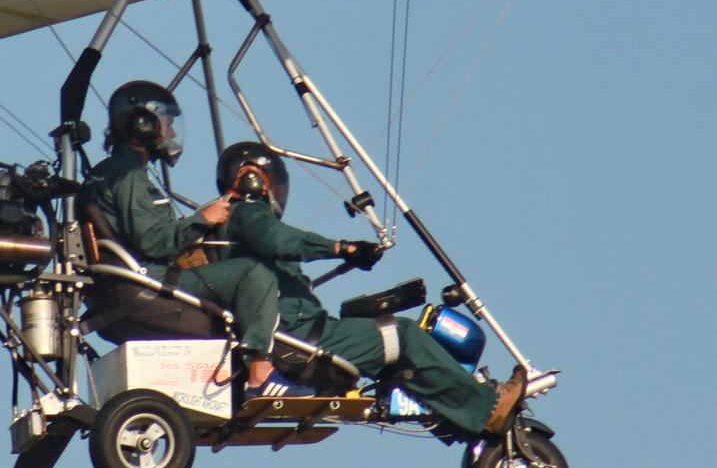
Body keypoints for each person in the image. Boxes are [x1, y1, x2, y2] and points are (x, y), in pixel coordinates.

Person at [213, 140, 527, 440]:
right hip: (300, 339)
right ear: (251, 178)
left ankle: (458, 415)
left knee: (388, 344)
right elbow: (279, 239)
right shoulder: (248, 213)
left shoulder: (227, 224)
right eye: (270, 182)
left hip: (291, 335)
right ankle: (487, 408)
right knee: (402, 336)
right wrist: (342, 248)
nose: (272, 191)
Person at [81, 82, 283, 381]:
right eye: (168, 123)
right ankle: (261, 375)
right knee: (255, 275)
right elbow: (155, 241)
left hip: (118, 290)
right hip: (147, 285)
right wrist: (203, 219)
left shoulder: (106, 173)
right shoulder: (127, 175)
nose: (172, 133)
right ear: (144, 123)